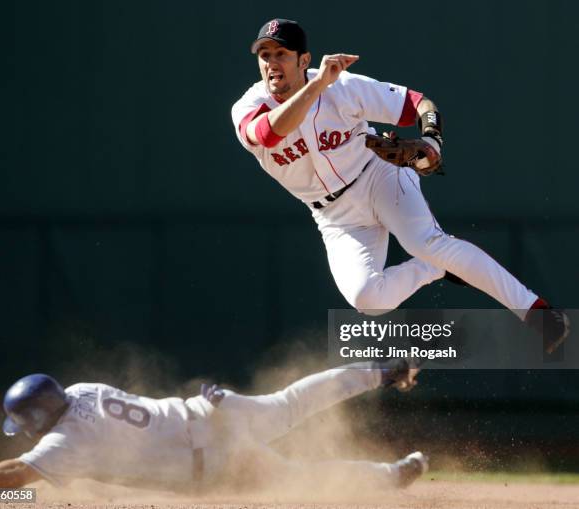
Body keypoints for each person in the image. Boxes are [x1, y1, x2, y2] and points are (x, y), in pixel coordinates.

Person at [230, 18, 570, 354]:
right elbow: (269, 132)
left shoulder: (343, 86)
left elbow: (419, 104)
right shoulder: (248, 107)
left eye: (281, 54)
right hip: (334, 215)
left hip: (378, 175)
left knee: (426, 241)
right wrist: (316, 86)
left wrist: (431, 141)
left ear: (304, 60)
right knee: (368, 298)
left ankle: (538, 313)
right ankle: (434, 267)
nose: (272, 63)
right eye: (265, 55)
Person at [0, 362, 426, 492]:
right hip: (210, 411)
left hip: (211, 460)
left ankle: (393, 476)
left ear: (35, 421)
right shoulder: (83, 389)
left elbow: (15, 478)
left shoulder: (68, 442)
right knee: (291, 404)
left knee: (298, 476)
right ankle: (380, 372)